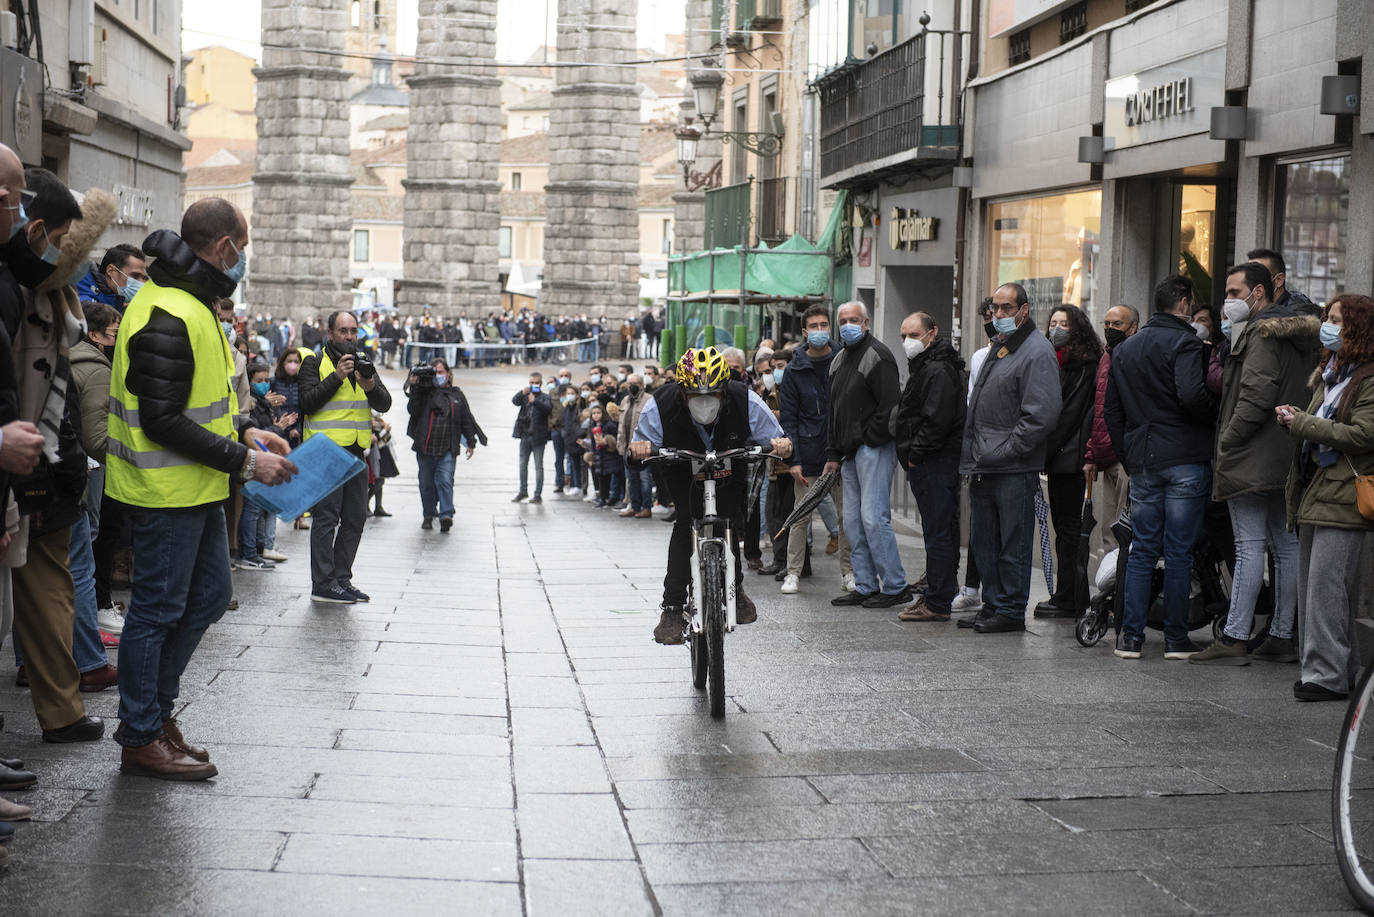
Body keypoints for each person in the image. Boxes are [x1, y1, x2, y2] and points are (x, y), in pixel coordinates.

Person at [106, 198, 296, 779]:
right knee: (157, 611)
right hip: (165, 492)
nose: (243, 260)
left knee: (210, 597)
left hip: (196, 487)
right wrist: (245, 461)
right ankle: (141, 734)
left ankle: (155, 716)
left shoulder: (192, 305)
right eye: (244, 247)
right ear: (224, 248)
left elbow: (200, 405)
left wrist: (248, 428)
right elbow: (162, 419)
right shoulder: (169, 311)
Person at [8, 169, 116, 730]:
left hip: (40, 464)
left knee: (51, 585)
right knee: (49, 586)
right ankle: (62, 708)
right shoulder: (28, 292)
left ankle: (62, 708)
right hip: (29, 462)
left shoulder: (51, 292)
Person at [1190, 261, 1318, 665]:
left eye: (1233, 292)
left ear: (1258, 293)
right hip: (1282, 453)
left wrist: (1227, 442)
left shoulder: (1263, 334)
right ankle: (1281, 633)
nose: (1227, 302)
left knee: (1248, 546)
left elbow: (1256, 396)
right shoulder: (1295, 334)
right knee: (1285, 545)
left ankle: (1235, 636)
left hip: (1251, 454)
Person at [629, 347, 791, 644]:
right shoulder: (660, 404)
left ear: (724, 390)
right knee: (685, 522)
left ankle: (736, 589)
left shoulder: (745, 400)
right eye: (695, 396)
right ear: (681, 392)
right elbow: (638, 445)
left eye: (713, 395)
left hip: (729, 464)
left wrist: (781, 445)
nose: (704, 404)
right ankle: (673, 607)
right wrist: (639, 448)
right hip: (681, 466)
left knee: (728, 520)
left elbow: (775, 436)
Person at [1104, 275, 1218, 660]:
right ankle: (1174, 638)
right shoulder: (1186, 342)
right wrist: (1211, 419)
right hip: (1184, 455)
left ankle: (1131, 638)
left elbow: (1112, 411)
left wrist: (1128, 455)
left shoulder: (1126, 349)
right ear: (1184, 303)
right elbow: (1190, 395)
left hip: (1144, 459)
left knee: (1141, 549)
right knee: (1179, 550)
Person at [1276, 293, 1374, 700]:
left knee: (1327, 587)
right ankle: (1329, 669)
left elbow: (1363, 435)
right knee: (1315, 589)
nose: (1327, 326)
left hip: (1345, 495)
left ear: (1357, 330)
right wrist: (1298, 421)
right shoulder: (1332, 373)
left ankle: (1327, 676)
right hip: (1316, 490)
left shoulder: (1367, 379)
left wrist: (1303, 424)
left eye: (1336, 320)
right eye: (1326, 317)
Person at [959, 283, 1062, 634]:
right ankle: (994, 604)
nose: (999, 315)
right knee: (986, 541)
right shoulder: (1001, 347)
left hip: (1013, 466)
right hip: (986, 463)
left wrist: (1006, 450)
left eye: (1006, 308)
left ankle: (1011, 609)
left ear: (1024, 310)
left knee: (1013, 542)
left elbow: (1041, 415)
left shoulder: (1037, 350)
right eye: (995, 309)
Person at [299, 309, 392, 605]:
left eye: (354, 331)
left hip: (356, 451)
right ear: (330, 334)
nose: (350, 336)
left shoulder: (364, 364)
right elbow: (307, 403)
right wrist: (337, 377)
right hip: (324, 452)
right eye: (344, 331)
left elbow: (385, 403)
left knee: (355, 517)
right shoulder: (314, 363)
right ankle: (323, 583)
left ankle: (341, 578)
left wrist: (370, 385)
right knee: (327, 518)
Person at [824, 301, 909, 609]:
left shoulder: (879, 356)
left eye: (854, 319)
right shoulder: (838, 360)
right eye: (843, 319)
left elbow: (890, 408)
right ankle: (866, 583)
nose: (848, 324)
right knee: (853, 523)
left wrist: (866, 439)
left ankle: (896, 585)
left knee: (874, 519)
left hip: (872, 448)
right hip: (849, 454)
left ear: (866, 322)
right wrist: (834, 452)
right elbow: (834, 411)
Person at [893, 311, 965, 621]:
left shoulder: (937, 370)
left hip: (934, 461)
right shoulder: (929, 366)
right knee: (939, 531)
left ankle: (937, 601)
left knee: (938, 533)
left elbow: (936, 420)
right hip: (931, 461)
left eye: (913, 334)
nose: (908, 342)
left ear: (932, 333)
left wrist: (915, 454)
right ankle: (939, 590)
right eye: (903, 336)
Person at [779, 305, 852, 595]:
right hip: (808, 453)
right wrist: (793, 459)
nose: (820, 331)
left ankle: (849, 572)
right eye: (814, 326)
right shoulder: (794, 369)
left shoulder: (843, 359)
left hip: (841, 452)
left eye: (825, 324)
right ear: (805, 331)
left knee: (848, 517)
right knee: (800, 516)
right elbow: (789, 418)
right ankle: (793, 572)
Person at [1035, 304, 1103, 618]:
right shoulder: (1053, 360)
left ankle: (1071, 598)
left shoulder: (1083, 363)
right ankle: (1069, 595)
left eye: (1064, 322)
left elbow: (1067, 415)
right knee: (1065, 528)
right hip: (1060, 456)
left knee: (1070, 529)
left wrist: (1043, 453)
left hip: (1070, 458)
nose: (1057, 327)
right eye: (1053, 322)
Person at [71, 300, 123, 635]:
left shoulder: (72, 359)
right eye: (115, 333)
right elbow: (96, 437)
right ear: (95, 335)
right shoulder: (99, 370)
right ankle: (90, 622)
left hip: (74, 465)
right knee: (88, 547)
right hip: (91, 470)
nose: (119, 339)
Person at [1083, 305, 1138, 567]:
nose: (1110, 330)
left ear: (1133, 327)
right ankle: (1109, 593)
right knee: (1108, 531)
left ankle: (1122, 592)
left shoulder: (1135, 355)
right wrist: (1093, 454)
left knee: (1123, 529)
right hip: (1106, 456)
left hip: (1125, 455)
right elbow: (1100, 409)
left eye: (1117, 324)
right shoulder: (1106, 357)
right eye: (1106, 324)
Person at [407, 357, 481, 532]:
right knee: (426, 484)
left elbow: (466, 419)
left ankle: (446, 514)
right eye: (435, 373)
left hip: (447, 448)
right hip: (425, 448)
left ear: (448, 374)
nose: (438, 376)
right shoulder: (424, 393)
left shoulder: (456, 395)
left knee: (445, 480)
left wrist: (471, 442)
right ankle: (428, 514)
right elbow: (412, 410)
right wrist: (414, 387)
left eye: (441, 372)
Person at [617, 373, 654, 517]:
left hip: (643, 446)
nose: (632, 386)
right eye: (629, 383)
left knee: (645, 478)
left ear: (642, 385)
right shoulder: (625, 400)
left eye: (635, 383)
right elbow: (621, 423)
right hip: (627, 446)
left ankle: (646, 507)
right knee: (631, 479)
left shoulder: (649, 400)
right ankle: (634, 505)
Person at [512, 370, 552, 504]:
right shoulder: (525, 395)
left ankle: (537, 494)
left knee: (538, 466)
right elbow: (514, 401)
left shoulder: (545, 397)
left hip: (538, 437)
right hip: (524, 435)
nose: (533, 385)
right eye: (531, 383)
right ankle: (523, 491)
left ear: (540, 384)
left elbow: (547, 409)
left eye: (536, 383)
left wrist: (535, 402)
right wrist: (522, 392)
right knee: (522, 465)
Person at [1247, 247, 1317, 317]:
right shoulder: (1262, 309)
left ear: (1279, 280)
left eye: (1257, 274)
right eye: (1248, 275)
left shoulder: (1294, 315)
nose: (1250, 281)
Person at [76, 243, 146, 311]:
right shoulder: (86, 306)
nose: (141, 283)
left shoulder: (113, 299)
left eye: (143, 278)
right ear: (111, 271)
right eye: (135, 276)